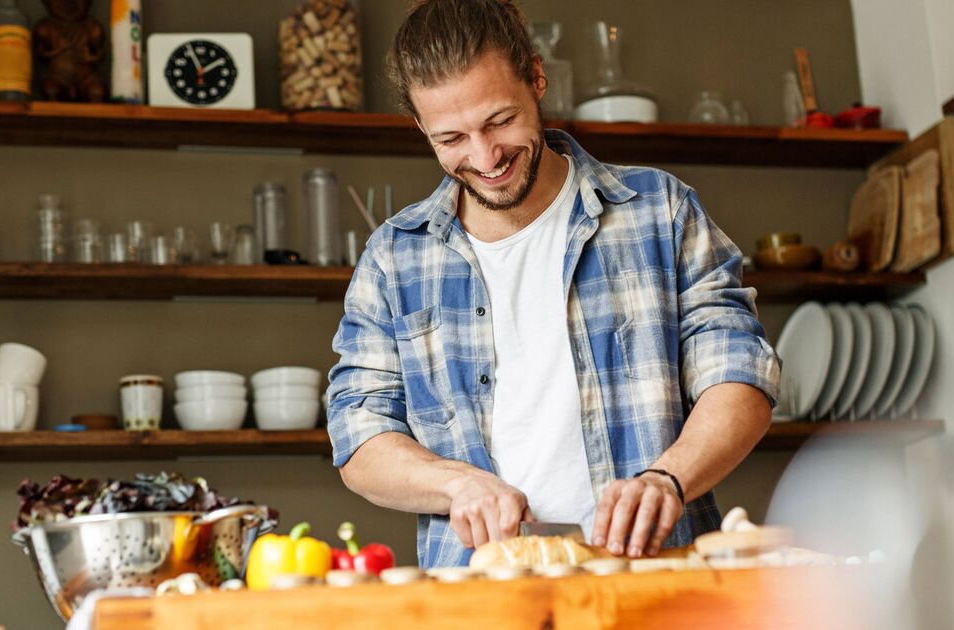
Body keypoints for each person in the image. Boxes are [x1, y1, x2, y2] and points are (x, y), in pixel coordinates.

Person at [327, 0, 780, 569]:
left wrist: (669, 478)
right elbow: (359, 434)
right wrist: (455, 484)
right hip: (481, 592)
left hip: (653, 576)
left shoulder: (659, 211)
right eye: (451, 139)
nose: (485, 157)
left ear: (537, 79)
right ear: (421, 127)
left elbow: (739, 375)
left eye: (500, 121)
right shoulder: (394, 257)